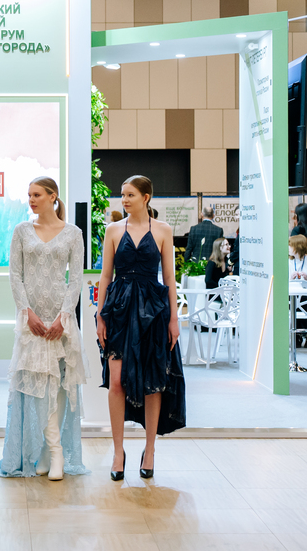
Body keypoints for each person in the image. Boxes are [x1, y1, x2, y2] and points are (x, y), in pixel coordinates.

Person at [0, 177, 88, 481]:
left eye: (37, 194)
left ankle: (49, 452)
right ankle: (54, 451)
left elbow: (76, 279)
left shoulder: (73, 233)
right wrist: (26, 312)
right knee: (36, 385)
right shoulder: (21, 231)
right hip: (32, 321)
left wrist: (64, 317)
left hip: (60, 321)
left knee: (59, 384)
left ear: (53, 197)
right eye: (29, 195)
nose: (31, 199)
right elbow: (15, 275)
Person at [96, 175, 185, 481]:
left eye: (130, 194)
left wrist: (174, 318)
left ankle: (150, 450)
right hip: (119, 309)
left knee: (152, 381)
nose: (124, 200)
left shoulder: (163, 230)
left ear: (146, 197)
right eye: (122, 195)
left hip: (153, 311)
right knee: (116, 381)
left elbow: (169, 278)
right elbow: (105, 276)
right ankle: (117, 452)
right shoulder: (113, 230)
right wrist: (100, 316)